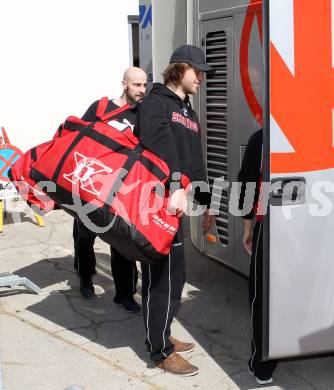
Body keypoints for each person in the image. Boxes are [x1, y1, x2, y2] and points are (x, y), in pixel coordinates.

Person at [135, 45, 214, 376]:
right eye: (197, 71)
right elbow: (159, 149)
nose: (201, 78)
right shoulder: (155, 103)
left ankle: (162, 332)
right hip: (157, 204)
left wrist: (206, 204)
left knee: (176, 276)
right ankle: (159, 351)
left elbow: (195, 160)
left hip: (177, 205)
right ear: (179, 69)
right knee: (162, 279)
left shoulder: (188, 112)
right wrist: (177, 184)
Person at [73, 67, 147, 314]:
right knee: (85, 236)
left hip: (121, 189)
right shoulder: (101, 108)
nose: (142, 90)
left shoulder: (142, 115)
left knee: (121, 242)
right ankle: (85, 277)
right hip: (92, 184)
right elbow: (79, 138)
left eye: (144, 85)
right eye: (137, 85)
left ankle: (124, 294)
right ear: (124, 84)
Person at [238, 128, 278, 385]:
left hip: (271, 223)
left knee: (263, 295)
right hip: (318, 225)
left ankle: (262, 365)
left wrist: (247, 226)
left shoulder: (263, 136)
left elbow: (247, 183)